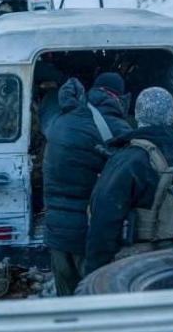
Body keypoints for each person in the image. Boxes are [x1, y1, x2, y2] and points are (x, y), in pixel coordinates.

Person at [83, 87, 173, 277]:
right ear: (171, 115)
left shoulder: (132, 158)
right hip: (169, 258)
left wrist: (94, 272)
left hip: (133, 262)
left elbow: (104, 218)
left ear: (137, 114)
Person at [43, 73, 132, 296]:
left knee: (67, 301)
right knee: (94, 297)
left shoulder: (62, 119)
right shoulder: (116, 128)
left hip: (56, 231)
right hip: (89, 234)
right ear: (117, 96)